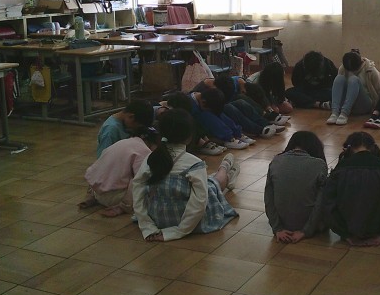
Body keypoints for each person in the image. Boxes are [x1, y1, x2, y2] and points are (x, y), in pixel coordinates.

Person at [132, 109, 240, 241]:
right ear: (189, 137)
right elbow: (199, 202)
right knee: (212, 185)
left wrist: (147, 226)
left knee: (209, 183)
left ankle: (227, 169)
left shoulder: (151, 158)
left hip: (156, 219)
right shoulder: (194, 163)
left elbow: (137, 190)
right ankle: (225, 168)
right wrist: (178, 231)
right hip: (187, 222)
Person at [321, 132, 380, 246]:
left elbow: (328, 203)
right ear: (373, 147)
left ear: (348, 148)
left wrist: (345, 234)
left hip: (348, 229)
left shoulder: (340, 169)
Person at [264, 131, 329, 243]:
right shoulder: (319, 164)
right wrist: (305, 231)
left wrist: (277, 228)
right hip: (312, 225)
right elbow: (321, 201)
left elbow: (268, 198)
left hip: (283, 225)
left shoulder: (276, 161)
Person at [79, 128, 159, 217]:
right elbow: (139, 180)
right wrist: (125, 206)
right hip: (115, 199)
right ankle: (121, 207)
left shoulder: (121, 143)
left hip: (96, 192)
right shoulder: (144, 151)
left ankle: (91, 197)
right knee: (146, 181)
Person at [327, 50, 380, 126]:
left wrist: (377, 110)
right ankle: (334, 113)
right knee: (339, 78)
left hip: (363, 104)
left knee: (353, 79)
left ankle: (344, 114)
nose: (351, 71)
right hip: (345, 103)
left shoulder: (371, 70)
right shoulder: (342, 68)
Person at [188, 88, 253, 150]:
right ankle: (228, 138)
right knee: (206, 114)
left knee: (219, 113)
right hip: (195, 126)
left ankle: (237, 133)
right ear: (203, 102)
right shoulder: (189, 103)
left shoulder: (204, 97)